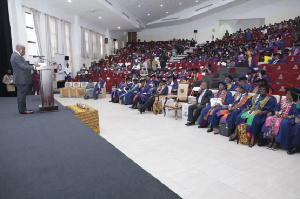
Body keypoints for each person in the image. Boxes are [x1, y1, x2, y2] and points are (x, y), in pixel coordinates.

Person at [10, 44, 40, 114]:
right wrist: (33, 67)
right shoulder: (16, 56)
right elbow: (23, 66)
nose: (25, 52)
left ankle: (23, 109)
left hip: (21, 79)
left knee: (21, 95)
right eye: (24, 50)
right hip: (21, 79)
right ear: (20, 49)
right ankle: (22, 110)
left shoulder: (17, 56)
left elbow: (25, 65)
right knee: (21, 95)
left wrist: (33, 66)